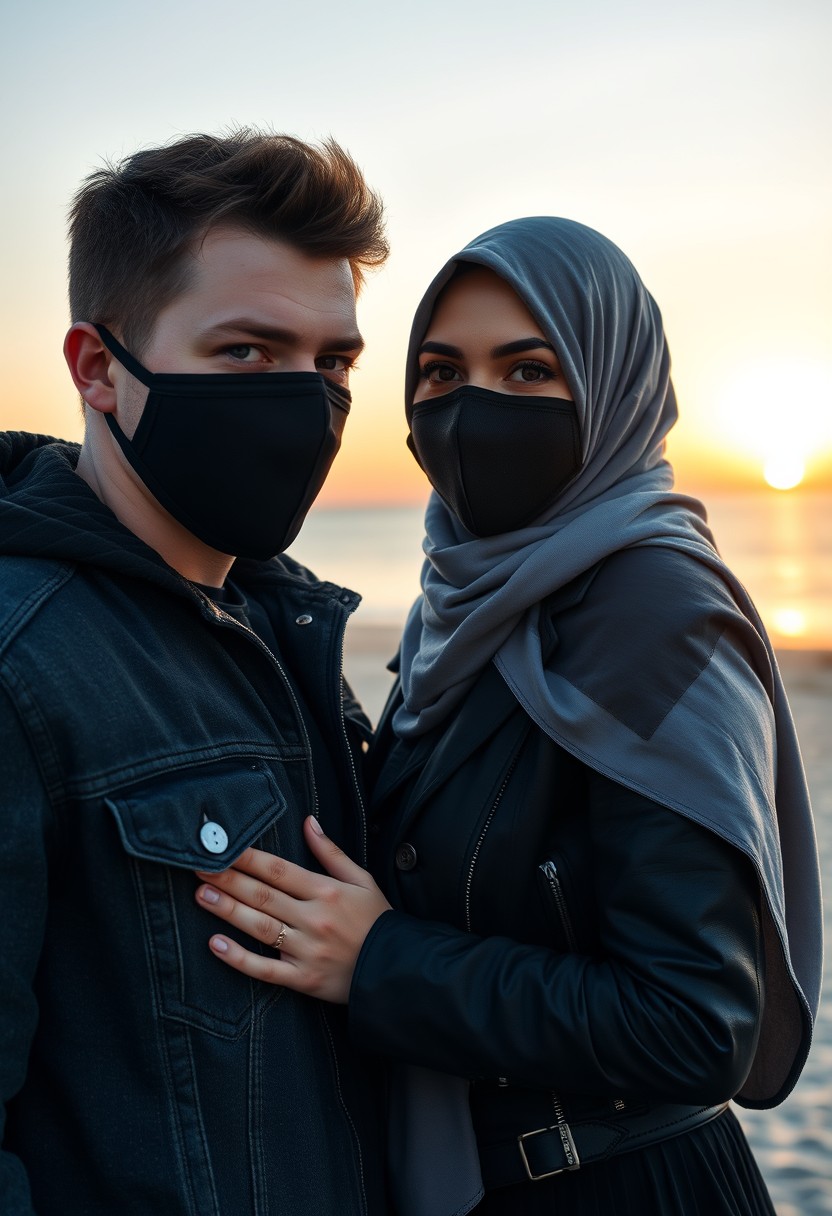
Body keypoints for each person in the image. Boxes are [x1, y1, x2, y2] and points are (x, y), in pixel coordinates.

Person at [193, 218, 823, 1215]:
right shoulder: (468, 605)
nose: (471, 408)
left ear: (610, 386)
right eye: (440, 374)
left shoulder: (649, 609)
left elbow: (699, 1026)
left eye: (527, 372)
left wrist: (382, 960)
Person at [0, 128, 391, 1215]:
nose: (307, 404)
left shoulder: (283, 617)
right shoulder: (19, 661)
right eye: (246, 353)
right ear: (97, 371)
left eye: (334, 361)